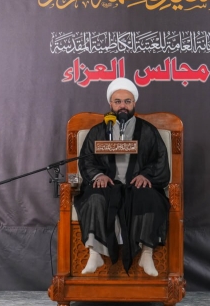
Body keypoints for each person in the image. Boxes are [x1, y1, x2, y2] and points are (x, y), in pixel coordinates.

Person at [74, 77, 170, 276]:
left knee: (150, 198)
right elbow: (87, 160)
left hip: (137, 184)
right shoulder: (98, 131)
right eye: (117, 102)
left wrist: (146, 175)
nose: (123, 106)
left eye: (127, 101)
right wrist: (98, 175)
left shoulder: (148, 131)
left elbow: (159, 160)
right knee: (94, 198)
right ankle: (94, 254)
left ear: (134, 103)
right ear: (111, 104)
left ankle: (146, 254)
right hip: (108, 184)